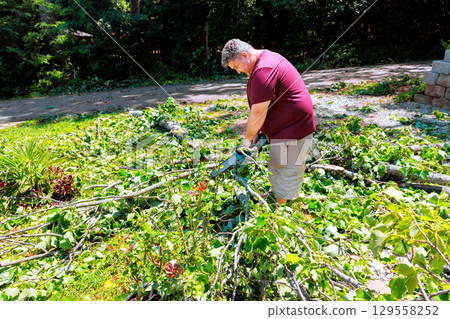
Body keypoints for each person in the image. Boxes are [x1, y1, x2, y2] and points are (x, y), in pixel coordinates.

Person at [221, 39, 315, 205]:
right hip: (287, 125)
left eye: (236, 67)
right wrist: (258, 131)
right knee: (279, 164)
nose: (238, 72)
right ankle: (280, 198)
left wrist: (247, 140)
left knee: (285, 168)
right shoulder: (264, 61)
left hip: (293, 126)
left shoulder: (264, 69)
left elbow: (258, 111)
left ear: (245, 55)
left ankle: (281, 214)